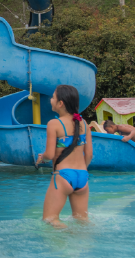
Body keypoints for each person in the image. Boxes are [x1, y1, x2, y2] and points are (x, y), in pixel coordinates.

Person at [35, 85, 93, 229]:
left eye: (53, 97)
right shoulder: (84, 124)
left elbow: (50, 155)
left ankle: (66, 235)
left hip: (63, 176)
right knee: (82, 220)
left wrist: (41, 158)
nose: (51, 100)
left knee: (50, 219)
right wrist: (81, 169)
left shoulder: (54, 124)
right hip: (82, 176)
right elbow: (90, 154)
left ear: (60, 103)